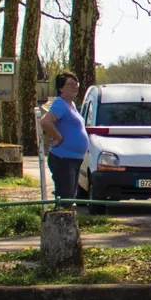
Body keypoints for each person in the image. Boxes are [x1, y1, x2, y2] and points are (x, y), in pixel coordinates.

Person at [43, 72, 88, 204]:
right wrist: (58, 137)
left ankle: (67, 222)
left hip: (74, 159)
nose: (75, 87)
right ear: (61, 88)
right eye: (70, 84)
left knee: (70, 198)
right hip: (63, 159)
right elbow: (45, 122)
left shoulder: (71, 105)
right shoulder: (60, 103)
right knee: (65, 198)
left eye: (76, 84)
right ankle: (60, 223)